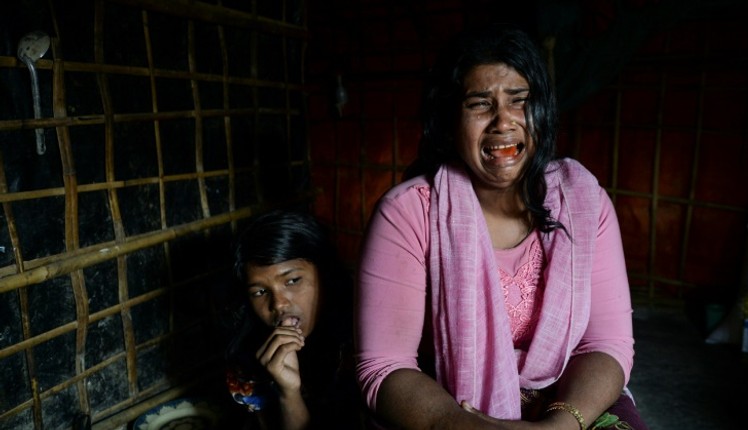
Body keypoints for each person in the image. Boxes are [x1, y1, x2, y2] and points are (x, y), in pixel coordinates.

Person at [355, 23, 648, 430]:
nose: (503, 122)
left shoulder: (583, 202)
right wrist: (469, 426)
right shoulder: (409, 213)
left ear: (540, 112)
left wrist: (559, 426)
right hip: (450, 403)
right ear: (449, 120)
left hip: (568, 398)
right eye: (479, 103)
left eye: (519, 101)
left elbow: (606, 344)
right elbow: (385, 366)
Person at [223, 209, 363, 430]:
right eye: (259, 292)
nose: (278, 304)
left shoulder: (364, 341)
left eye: (293, 280)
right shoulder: (245, 361)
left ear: (325, 275)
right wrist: (288, 393)